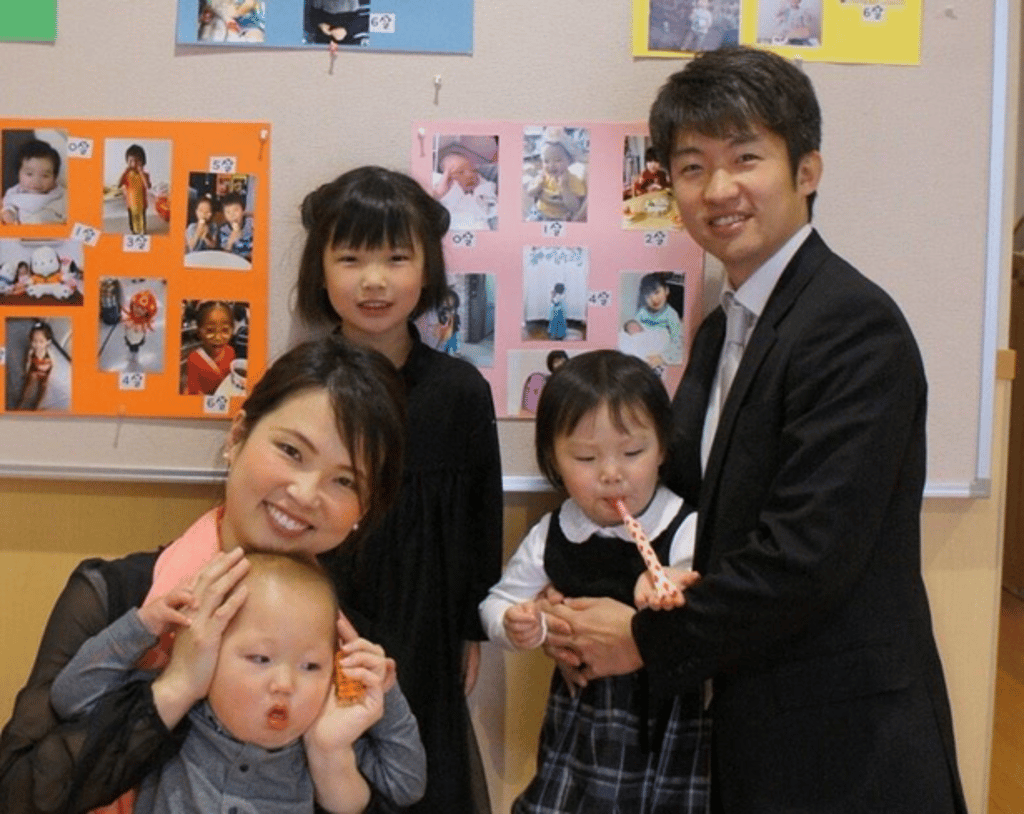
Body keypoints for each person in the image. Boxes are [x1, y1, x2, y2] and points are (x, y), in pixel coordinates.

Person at [543, 46, 968, 813]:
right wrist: (572, 606)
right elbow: (677, 507)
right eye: (693, 166)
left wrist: (641, 640)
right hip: (752, 714)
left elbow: (806, 556)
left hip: (843, 735)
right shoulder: (722, 327)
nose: (719, 189)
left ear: (807, 170)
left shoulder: (851, 326)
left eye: (746, 158)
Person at [0, 335, 426, 813]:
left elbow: (400, 791)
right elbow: (17, 793)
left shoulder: (345, 641)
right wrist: (176, 686)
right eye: (291, 451)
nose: (307, 493)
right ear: (238, 436)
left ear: (363, 510)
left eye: (344, 480)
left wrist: (328, 755)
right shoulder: (119, 598)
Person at [296, 165, 503, 814]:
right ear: (321, 271)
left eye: (396, 257)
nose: (374, 280)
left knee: (419, 772)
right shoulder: (300, 385)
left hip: (427, 621)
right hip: (321, 614)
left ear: (427, 268)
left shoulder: (459, 392)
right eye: (351, 258)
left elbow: (480, 517)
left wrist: (471, 629)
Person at [481, 350, 707, 813]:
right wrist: (519, 623)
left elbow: (702, 593)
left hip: (668, 720)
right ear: (553, 459)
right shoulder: (555, 533)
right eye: (585, 457)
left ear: (663, 448)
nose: (611, 474)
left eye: (633, 452)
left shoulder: (684, 525)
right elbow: (497, 603)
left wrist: (667, 584)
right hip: (581, 718)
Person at [50, 551, 423, 813]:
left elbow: (406, 785)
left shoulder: (316, 739)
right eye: (260, 659)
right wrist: (143, 626)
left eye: (311, 666)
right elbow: (71, 698)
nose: (285, 683)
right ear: (210, 652)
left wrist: (384, 692)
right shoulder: (180, 714)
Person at [526, 130, 587, 222]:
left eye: (558, 160)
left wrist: (565, 187)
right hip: (539, 211)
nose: (551, 165)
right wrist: (537, 186)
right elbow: (530, 193)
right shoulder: (543, 176)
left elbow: (575, 207)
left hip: (560, 217)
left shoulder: (574, 180)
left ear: (570, 160)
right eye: (546, 161)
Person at [1, 139, 66, 225]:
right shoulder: (14, 192)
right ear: (18, 174)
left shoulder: (60, 195)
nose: (36, 182)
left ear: (54, 177)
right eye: (29, 174)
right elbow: (8, 204)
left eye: (45, 176)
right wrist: (9, 212)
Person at [432, 147, 498, 231]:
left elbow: (491, 195)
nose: (470, 175)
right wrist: (439, 193)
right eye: (460, 172)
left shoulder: (482, 186)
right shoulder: (447, 193)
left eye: (473, 170)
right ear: (447, 179)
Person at [631, 272, 682, 367]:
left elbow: (677, 340)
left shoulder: (671, 315)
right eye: (648, 296)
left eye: (657, 292)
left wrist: (662, 357)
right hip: (644, 350)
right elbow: (635, 331)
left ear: (666, 290)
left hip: (661, 352)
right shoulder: (642, 312)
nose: (654, 299)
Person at [185, 300, 235, 395]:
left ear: (232, 330)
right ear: (199, 332)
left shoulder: (230, 351)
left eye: (225, 330)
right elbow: (194, 391)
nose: (218, 337)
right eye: (210, 330)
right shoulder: (194, 359)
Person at [15, 321, 53, 410]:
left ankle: (37, 404)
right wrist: (26, 371)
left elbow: (52, 365)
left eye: (41, 341)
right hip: (34, 370)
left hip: (44, 373)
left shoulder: (49, 355)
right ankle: (22, 402)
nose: (37, 345)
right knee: (29, 384)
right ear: (31, 340)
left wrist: (47, 369)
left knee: (43, 387)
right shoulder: (32, 352)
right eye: (34, 341)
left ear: (48, 342)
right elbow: (28, 362)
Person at [118, 144, 151, 236]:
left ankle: (142, 232)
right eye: (131, 161)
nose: (134, 164)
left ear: (143, 162)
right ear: (127, 162)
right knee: (132, 221)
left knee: (142, 221)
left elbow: (147, 186)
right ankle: (134, 232)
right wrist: (125, 172)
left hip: (141, 204)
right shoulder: (127, 174)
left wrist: (141, 172)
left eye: (137, 161)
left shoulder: (145, 174)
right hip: (130, 203)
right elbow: (119, 184)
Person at [218, 192, 254, 262]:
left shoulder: (250, 224)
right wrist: (230, 241)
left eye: (236, 210)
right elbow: (225, 254)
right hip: (234, 262)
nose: (232, 215)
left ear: (243, 209)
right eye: (228, 212)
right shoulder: (224, 230)